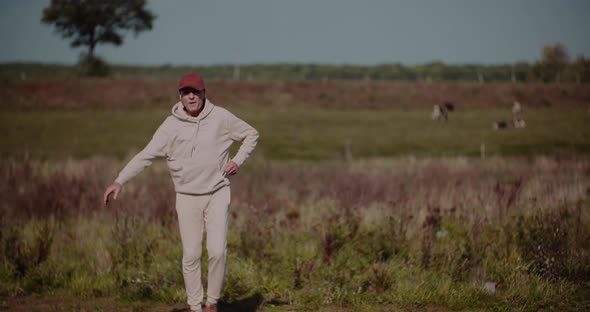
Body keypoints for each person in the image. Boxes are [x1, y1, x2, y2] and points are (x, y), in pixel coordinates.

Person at [103, 73, 259, 312]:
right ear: (180, 96)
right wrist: (119, 181)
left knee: (217, 251)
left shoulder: (221, 117)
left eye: (195, 92)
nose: (191, 96)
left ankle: (211, 303)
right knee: (191, 254)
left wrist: (237, 161)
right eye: (186, 92)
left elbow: (251, 134)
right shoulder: (170, 126)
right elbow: (145, 155)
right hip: (186, 196)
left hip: (217, 192)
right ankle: (195, 306)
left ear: (204, 93)